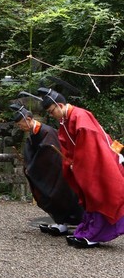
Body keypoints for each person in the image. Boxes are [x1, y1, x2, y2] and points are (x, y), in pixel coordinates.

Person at [39, 87, 124, 248]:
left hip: (99, 163)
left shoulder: (80, 117)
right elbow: (68, 146)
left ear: (60, 105)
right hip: (86, 164)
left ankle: (94, 235)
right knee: (90, 198)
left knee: (100, 197)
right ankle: (88, 231)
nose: (51, 115)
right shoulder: (66, 120)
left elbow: (90, 146)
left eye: (52, 111)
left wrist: (76, 163)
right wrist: (71, 161)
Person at [9, 103, 83, 236]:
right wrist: (29, 165)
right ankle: (60, 222)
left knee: (60, 196)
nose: (20, 127)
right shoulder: (33, 133)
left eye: (21, 124)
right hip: (48, 173)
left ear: (29, 119)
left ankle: (68, 223)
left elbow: (49, 154)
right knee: (48, 195)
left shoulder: (47, 132)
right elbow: (33, 152)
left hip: (58, 173)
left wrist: (32, 166)